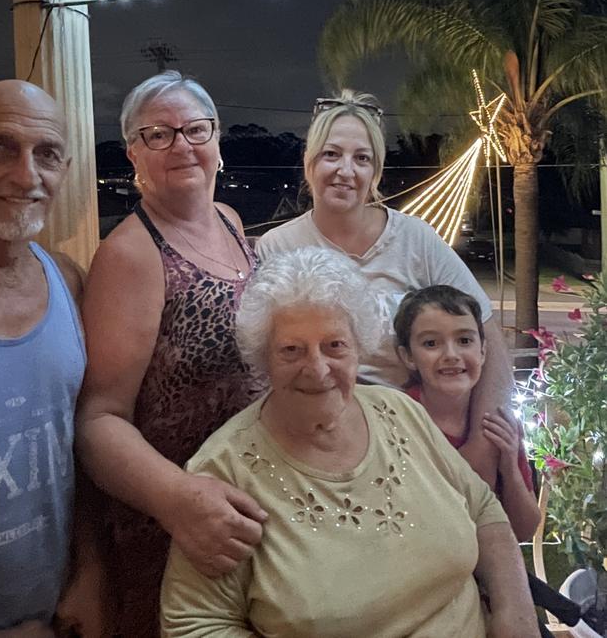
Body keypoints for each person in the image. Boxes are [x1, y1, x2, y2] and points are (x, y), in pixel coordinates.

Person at [160, 247, 540, 638]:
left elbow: (483, 509)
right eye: (292, 350)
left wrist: (516, 615)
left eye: (335, 346)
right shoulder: (224, 470)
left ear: (359, 348)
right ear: (263, 358)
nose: (318, 368)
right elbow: (193, 624)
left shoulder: (399, 412)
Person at [77, 71, 268, 638]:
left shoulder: (231, 223)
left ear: (216, 141)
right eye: (158, 134)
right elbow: (97, 419)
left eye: (195, 129)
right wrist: (178, 499)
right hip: (177, 526)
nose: (181, 144)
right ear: (134, 153)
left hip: (251, 505)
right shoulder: (129, 256)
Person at [256, 90, 514, 486]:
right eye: (331, 154)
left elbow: (487, 333)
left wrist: (482, 443)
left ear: (375, 172)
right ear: (309, 163)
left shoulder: (416, 240)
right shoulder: (278, 247)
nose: (346, 170)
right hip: (319, 440)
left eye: (362, 158)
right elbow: (266, 360)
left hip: (422, 438)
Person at [0, 81, 85, 635]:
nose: (28, 176)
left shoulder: (70, 283)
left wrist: (92, 573)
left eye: (47, 154)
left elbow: (76, 445)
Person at [393, 285, 540, 542]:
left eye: (464, 341)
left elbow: (525, 531)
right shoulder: (397, 420)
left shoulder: (498, 422)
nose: (451, 355)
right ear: (408, 356)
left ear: (483, 351)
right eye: (431, 343)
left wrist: (509, 468)